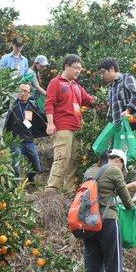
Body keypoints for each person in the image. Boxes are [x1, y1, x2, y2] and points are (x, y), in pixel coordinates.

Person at [81, 149, 136, 272]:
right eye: (123, 167)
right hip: (108, 223)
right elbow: (127, 201)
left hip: (89, 224)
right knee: (114, 267)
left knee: (92, 270)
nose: (122, 170)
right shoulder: (114, 170)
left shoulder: (90, 171)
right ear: (119, 161)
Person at [44, 54, 95, 193]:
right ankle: (52, 189)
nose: (78, 71)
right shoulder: (56, 82)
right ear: (66, 66)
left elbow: (90, 101)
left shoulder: (77, 87)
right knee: (62, 157)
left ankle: (70, 191)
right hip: (63, 126)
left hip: (77, 128)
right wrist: (50, 123)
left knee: (74, 160)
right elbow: (49, 103)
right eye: (75, 68)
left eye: (80, 68)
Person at [4, 83, 47, 183]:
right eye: (20, 90)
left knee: (36, 167)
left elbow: (42, 116)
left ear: (29, 94)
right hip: (15, 141)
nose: (22, 93)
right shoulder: (12, 105)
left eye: (25, 91)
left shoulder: (32, 107)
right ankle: (16, 188)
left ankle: (29, 180)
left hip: (29, 141)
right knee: (15, 166)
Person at [97, 57, 136, 124]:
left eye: (103, 72)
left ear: (112, 69)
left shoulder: (126, 78)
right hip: (119, 128)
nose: (101, 76)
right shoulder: (111, 88)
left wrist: (128, 110)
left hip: (131, 125)